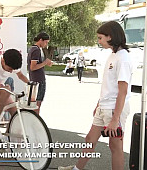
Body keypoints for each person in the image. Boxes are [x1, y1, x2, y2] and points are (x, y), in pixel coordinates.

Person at [59, 21, 133, 170]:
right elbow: (109, 85)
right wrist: (99, 104)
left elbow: (122, 92)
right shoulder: (113, 55)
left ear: (110, 36)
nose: (99, 41)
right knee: (90, 139)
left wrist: (115, 119)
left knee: (115, 146)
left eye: (100, 38)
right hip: (104, 107)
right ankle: (77, 169)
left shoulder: (123, 58)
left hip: (113, 109)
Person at [27, 32, 53, 114]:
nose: (46, 44)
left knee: (36, 103)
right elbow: (33, 67)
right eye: (46, 42)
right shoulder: (36, 50)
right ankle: (35, 121)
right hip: (38, 80)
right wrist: (45, 62)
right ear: (41, 40)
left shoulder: (34, 49)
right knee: (37, 103)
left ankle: (34, 120)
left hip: (36, 78)